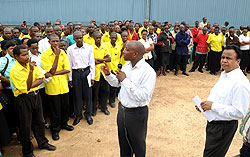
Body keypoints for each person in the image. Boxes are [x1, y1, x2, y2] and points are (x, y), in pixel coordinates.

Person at [101, 40, 156, 157]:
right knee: (124, 145)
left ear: (135, 54)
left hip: (137, 114)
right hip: (122, 111)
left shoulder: (148, 72)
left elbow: (142, 96)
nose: (123, 52)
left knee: (138, 146)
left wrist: (125, 80)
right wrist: (108, 74)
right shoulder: (127, 66)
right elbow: (117, 83)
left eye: (126, 49)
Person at [195, 45, 250, 157]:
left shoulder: (240, 83)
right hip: (214, 123)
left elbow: (239, 112)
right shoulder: (225, 74)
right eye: (222, 57)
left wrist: (213, 106)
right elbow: (221, 99)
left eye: (228, 58)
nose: (224, 61)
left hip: (223, 127)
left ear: (238, 61)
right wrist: (205, 106)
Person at [10, 45, 56, 157]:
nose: (27, 57)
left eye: (27, 54)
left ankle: (42, 142)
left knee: (39, 121)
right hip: (23, 99)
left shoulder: (32, 65)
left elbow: (41, 78)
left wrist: (30, 84)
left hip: (36, 96)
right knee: (25, 125)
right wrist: (31, 72)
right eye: (24, 55)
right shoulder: (15, 70)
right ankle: (27, 151)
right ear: (16, 57)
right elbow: (25, 88)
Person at [41, 34, 74, 141]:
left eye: (57, 41)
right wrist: (56, 56)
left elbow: (67, 69)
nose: (56, 43)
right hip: (52, 87)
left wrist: (53, 73)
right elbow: (50, 71)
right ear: (49, 42)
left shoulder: (63, 53)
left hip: (63, 85)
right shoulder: (45, 55)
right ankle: (55, 129)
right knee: (55, 110)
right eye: (53, 41)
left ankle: (64, 124)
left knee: (65, 107)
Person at [67, 31, 95, 125]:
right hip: (76, 73)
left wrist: (92, 77)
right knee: (77, 95)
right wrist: (70, 79)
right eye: (77, 38)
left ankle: (88, 114)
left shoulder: (89, 47)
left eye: (80, 38)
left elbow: (92, 63)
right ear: (74, 39)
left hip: (86, 73)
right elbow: (69, 65)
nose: (79, 40)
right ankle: (78, 115)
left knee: (88, 95)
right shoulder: (70, 49)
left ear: (83, 37)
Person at [92, 31, 111, 116]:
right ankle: (94, 109)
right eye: (97, 37)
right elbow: (92, 61)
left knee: (105, 91)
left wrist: (98, 60)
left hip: (103, 73)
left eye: (100, 37)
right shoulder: (90, 48)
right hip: (95, 74)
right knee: (95, 93)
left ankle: (104, 108)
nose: (98, 39)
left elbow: (109, 58)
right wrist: (103, 59)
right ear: (93, 38)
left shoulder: (104, 47)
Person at [103, 32, 121, 110]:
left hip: (115, 69)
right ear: (110, 38)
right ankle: (104, 103)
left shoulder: (118, 46)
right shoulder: (105, 45)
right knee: (106, 88)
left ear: (117, 39)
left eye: (115, 38)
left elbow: (118, 58)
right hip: (107, 70)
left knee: (114, 87)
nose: (113, 39)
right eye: (112, 37)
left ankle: (112, 101)